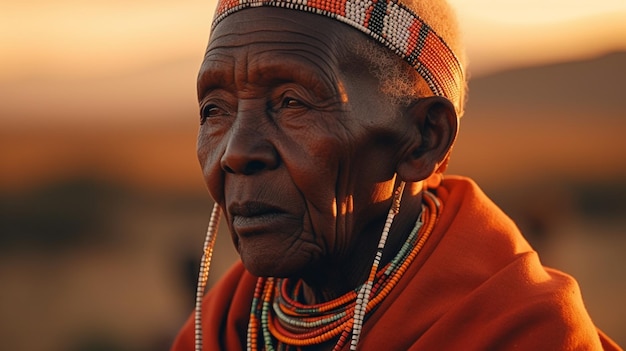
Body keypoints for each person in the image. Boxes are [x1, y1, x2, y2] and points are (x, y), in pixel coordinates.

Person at [171, 0, 622, 350]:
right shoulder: (221, 328)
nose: (236, 152)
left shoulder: (522, 334)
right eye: (215, 110)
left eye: (293, 102)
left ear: (424, 138)